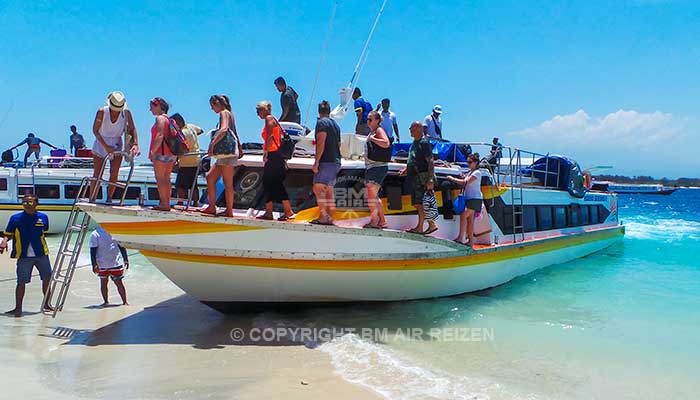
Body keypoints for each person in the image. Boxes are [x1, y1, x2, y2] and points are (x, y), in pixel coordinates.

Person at [0, 194, 52, 317]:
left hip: (41, 254)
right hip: (23, 255)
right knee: (21, 282)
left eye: (29, 202)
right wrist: (4, 241)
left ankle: (47, 304)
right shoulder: (15, 218)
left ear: (36, 204)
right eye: (24, 203)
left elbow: (44, 232)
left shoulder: (43, 217)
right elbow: (8, 233)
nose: (27, 205)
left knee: (47, 279)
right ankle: (18, 308)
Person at [91, 91, 140, 203]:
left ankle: (109, 198)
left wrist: (136, 144)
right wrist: (106, 147)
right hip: (101, 142)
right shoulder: (102, 111)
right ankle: (92, 198)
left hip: (117, 142)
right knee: (97, 173)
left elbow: (133, 129)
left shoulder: (126, 112)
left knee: (114, 173)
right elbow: (95, 130)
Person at [201, 95, 242, 218]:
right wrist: (239, 147)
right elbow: (234, 132)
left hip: (226, 154)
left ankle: (228, 210)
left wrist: (212, 144)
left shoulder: (224, 113)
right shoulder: (230, 114)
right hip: (227, 154)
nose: (212, 109)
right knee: (210, 177)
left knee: (227, 182)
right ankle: (212, 206)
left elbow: (224, 129)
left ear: (216, 104)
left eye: (212, 106)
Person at [256, 101, 295, 221]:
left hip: (273, 155)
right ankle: (270, 211)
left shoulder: (269, 119)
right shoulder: (274, 120)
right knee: (271, 182)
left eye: (258, 111)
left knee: (271, 182)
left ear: (264, 110)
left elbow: (268, 137)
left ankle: (287, 211)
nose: (258, 114)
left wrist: (265, 153)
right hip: (277, 156)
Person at [400, 122, 438, 235]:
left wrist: (430, 179)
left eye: (412, 128)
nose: (410, 130)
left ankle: (430, 224)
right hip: (415, 177)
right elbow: (414, 158)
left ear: (418, 129)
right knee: (418, 203)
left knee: (421, 203)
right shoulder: (414, 143)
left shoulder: (424, 142)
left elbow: (430, 161)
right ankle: (421, 227)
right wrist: (407, 170)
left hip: (423, 177)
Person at [311, 100, 342, 225]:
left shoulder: (321, 123)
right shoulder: (336, 125)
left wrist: (316, 161)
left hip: (326, 161)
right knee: (329, 190)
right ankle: (329, 217)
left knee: (318, 188)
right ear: (329, 111)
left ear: (319, 111)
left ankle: (323, 217)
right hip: (335, 161)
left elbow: (321, 141)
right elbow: (339, 144)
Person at [447, 153, 483, 247]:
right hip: (470, 199)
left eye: (470, 162)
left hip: (474, 199)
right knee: (470, 221)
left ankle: (460, 238)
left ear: (475, 162)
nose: (468, 164)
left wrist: (452, 179)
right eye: (467, 162)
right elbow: (466, 180)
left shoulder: (477, 173)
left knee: (463, 215)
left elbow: (465, 183)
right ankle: (470, 241)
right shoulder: (470, 172)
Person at [364, 111, 392, 229]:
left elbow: (386, 143)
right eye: (368, 119)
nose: (368, 121)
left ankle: (374, 221)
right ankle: (382, 221)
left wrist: (373, 139)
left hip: (377, 167)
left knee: (371, 196)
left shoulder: (378, 131)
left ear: (377, 120)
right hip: (374, 167)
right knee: (374, 196)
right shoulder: (373, 132)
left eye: (370, 119)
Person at [148, 97, 175, 211]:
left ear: (159, 106)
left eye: (152, 107)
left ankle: (164, 203)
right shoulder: (170, 119)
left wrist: (152, 151)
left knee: (160, 179)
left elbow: (159, 136)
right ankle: (166, 202)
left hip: (161, 152)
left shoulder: (160, 119)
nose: (150, 110)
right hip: (171, 153)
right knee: (166, 178)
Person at [89, 226, 129, 306]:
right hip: (104, 264)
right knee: (107, 283)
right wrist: (94, 265)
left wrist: (125, 259)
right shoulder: (95, 233)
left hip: (113, 263)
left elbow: (121, 246)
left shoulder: (113, 231)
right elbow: (92, 250)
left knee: (116, 283)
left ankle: (123, 302)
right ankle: (108, 301)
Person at [171, 113, 203, 206]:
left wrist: (175, 159)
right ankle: (196, 203)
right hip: (196, 160)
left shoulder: (182, 133)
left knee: (180, 185)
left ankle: (181, 202)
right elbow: (201, 130)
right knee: (193, 184)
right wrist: (194, 137)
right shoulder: (191, 127)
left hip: (186, 161)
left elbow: (180, 148)